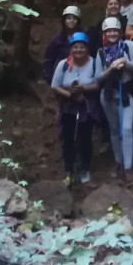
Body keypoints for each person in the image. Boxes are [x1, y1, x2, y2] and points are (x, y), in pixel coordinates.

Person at [50, 32, 101, 184]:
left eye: (82, 47)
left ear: (87, 48)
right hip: (68, 106)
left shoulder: (93, 62)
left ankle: (85, 168)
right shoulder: (64, 65)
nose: (79, 50)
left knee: (85, 138)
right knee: (68, 138)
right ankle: (68, 170)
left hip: (86, 106)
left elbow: (98, 84)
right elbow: (55, 86)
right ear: (71, 49)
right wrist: (70, 94)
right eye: (75, 47)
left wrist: (82, 89)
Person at [97, 16, 133, 181]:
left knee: (127, 129)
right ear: (105, 34)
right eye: (109, 31)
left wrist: (126, 63)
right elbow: (97, 78)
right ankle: (118, 160)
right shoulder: (101, 52)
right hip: (108, 95)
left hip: (126, 94)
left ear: (120, 32)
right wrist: (110, 69)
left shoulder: (128, 47)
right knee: (114, 130)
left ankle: (128, 167)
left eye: (115, 30)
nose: (112, 33)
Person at [44, 6, 85, 82]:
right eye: (69, 18)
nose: (71, 21)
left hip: (80, 76)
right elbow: (49, 60)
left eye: (74, 18)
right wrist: (50, 78)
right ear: (64, 21)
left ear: (78, 21)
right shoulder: (57, 40)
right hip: (60, 77)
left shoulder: (84, 38)